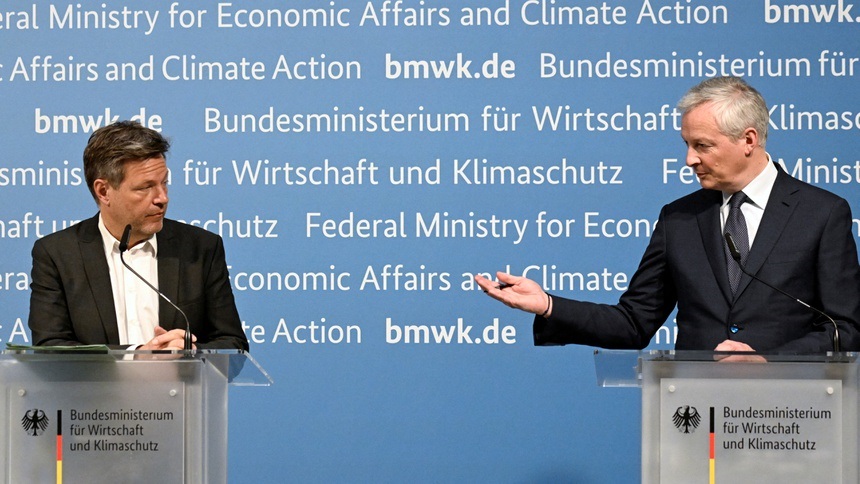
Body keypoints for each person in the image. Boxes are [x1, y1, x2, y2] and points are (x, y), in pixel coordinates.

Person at [476, 76, 860, 354]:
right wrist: (548, 305)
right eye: (687, 144)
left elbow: (846, 329)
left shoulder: (822, 213)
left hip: (791, 417)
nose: (690, 159)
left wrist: (769, 361)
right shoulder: (679, 219)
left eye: (702, 145)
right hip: (698, 415)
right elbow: (634, 322)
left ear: (748, 139)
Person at [28, 121, 249, 351]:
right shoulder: (57, 254)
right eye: (145, 187)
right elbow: (50, 348)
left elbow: (233, 345)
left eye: (164, 183)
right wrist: (134, 356)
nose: (162, 198)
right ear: (103, 191)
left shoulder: (201, 248)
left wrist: (190, 354)